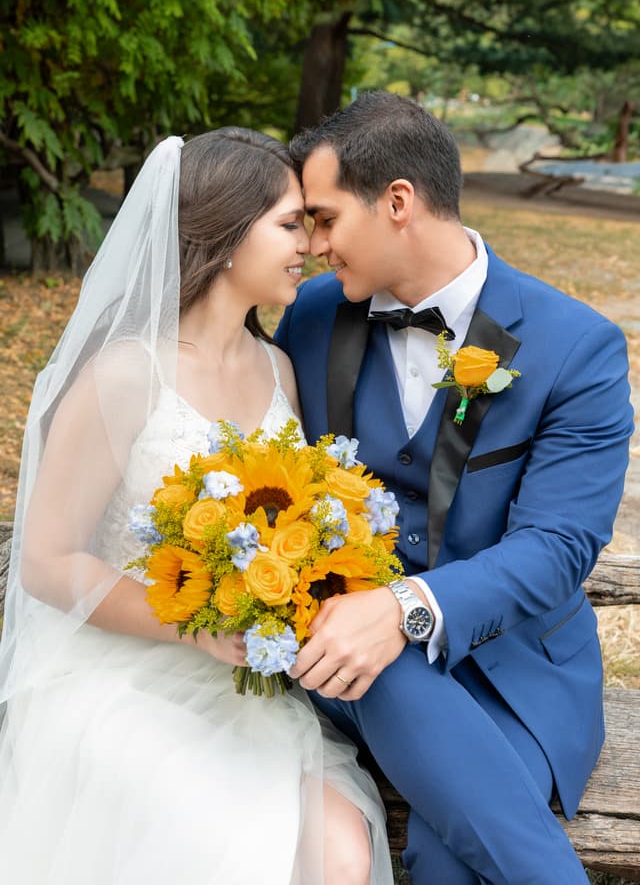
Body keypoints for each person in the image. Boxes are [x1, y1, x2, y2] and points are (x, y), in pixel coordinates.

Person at [0, 129, 394, 885]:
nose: (309, 247)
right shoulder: (123, 376)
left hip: (247, 689)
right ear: (220, 229)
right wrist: (193, 625)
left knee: (342, 852)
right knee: (234, 850)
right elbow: (48, 564)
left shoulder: (278, 368)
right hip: (121, 682)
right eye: (288, 223)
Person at [276, 90, 635, 885]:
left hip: (518, 674)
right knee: (374, 658)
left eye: (327, 219)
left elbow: (558, 549)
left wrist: (404, 608)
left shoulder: (576, 348)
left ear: (397, 201)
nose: (315, 246)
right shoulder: (305, 320)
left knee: (446, 860)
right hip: (349, 667)